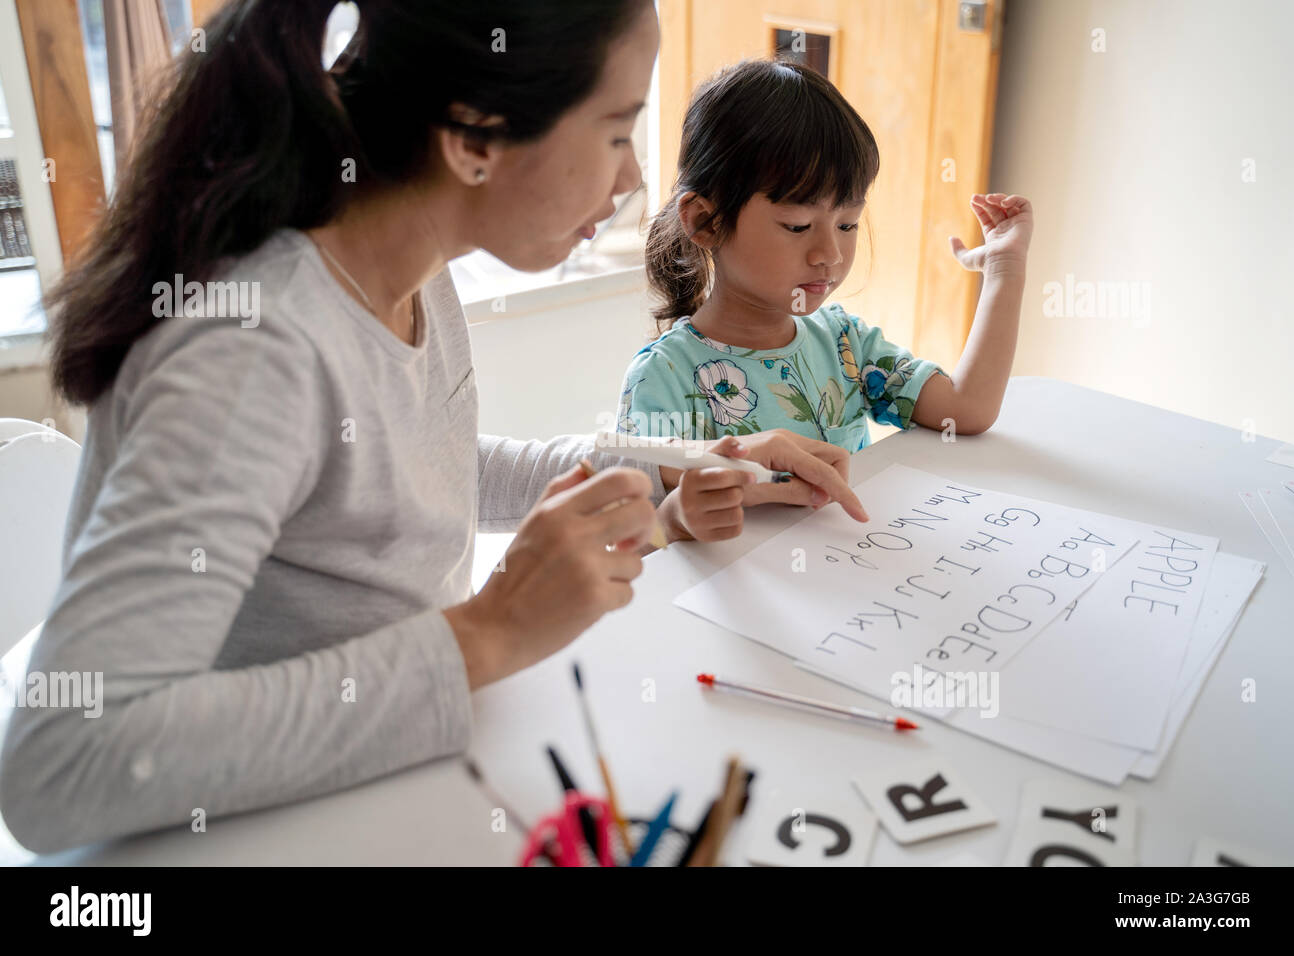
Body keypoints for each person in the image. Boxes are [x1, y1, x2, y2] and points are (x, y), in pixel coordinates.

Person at [0, 1, 872, 854]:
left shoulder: (408, 266)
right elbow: (58, 763)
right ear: (473, 137)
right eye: (616, 131)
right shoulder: (249, 348)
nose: (632, 180)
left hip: (373, 776)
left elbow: (416, 469)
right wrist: (489, 630)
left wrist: (681, 464)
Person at [619, 59, 1034, 453]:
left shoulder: (843, 343)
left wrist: (1004, 270)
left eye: (847, 224)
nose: (830, 254)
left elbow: (966, 410)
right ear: (706, 222)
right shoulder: (664, 378)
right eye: (798, 226)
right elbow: (647, 516)